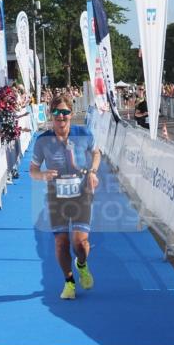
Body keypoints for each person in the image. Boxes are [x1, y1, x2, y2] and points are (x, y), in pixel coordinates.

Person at [29, 95, 101, 301]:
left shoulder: (84, 133)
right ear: (52, 115)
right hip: (56, 197)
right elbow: (32, 170)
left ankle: (82, 264)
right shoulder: (42, 140)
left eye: (65, 112)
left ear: (71, 113)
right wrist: (42, 175)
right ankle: (69, 281)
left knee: (79, 242)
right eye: (57, 113)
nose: (61, 117)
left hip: (81, 195)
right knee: (61, 243)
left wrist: (93, 172)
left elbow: (97, 153)